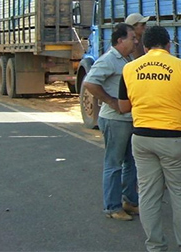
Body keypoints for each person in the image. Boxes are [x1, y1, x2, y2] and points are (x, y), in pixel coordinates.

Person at [118, 25, 181, 252]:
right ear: (168, 45)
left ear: (145, 47)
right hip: (175, 139)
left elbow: (123, 106)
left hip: (142, 138)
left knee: (148, 195)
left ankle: (155, 246)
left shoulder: (129, 69)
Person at [82, 22, 139, 221]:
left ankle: (129, 201)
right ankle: (112, 207)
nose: (136, 41)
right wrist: (110, 101)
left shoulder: (126, 59)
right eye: (132, 38)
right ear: (120, 40)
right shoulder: (108, 60)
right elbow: (89, 82)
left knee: (130, 162)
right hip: (115, 120)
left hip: (128, 118)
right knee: (113, 164)